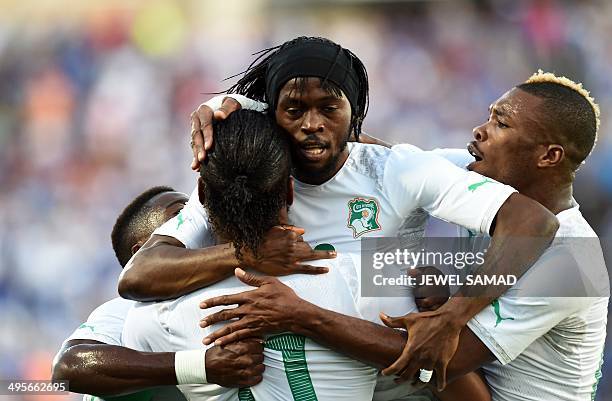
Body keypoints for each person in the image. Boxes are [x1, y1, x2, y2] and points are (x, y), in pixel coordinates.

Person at [120, 36, 558, 394]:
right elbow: (139, 277)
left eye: (329, 108)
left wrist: (453, 314)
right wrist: (246, 253)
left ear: (353, 116)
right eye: (294, 110)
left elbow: (532, 222)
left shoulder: (397, 171)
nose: (312, 123)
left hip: (396, 367)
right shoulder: (253, 175)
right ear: (273, 116)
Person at [199, 71, 609, 401]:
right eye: (489, 115)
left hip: (461, 380)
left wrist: (302, 315)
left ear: (549, 156)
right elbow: (356, 150)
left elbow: (442, 359)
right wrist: (233, 108)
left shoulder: (572, 262)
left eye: (500, 123)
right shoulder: (475, 177)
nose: (480, 130)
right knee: (369, 270)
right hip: (447, 385)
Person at [122, 110, 382, 401]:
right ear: (290, 192)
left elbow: (78, 375)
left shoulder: (154, 318)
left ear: (202, 195)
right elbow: (436, 349)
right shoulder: (360, 272)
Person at [52, 186, 264, 400]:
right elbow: (68, 368)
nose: (196, 221)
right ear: (142, 252)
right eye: (180, 214)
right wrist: (200, 366)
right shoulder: (125, 311)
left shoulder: (223, 296)